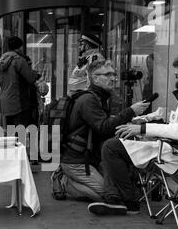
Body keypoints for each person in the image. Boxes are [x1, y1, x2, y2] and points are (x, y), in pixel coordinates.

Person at [88, 52, 178, 215]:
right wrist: (146, 122)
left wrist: (144, 129)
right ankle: (116, 197)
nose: (175, 73)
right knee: (116, 143)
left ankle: (128, 201)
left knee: (112, 147)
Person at [51, 60, 150, 201]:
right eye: (107, 74)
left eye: (113, 74)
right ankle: (65, 182)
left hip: (91, 159)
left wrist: (130, 122)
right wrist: (130, 111)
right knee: (109, 195)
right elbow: (103, 128)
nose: (112, 78)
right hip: (77, 162)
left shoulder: (100, 97)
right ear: (95, 78)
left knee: (117, 191)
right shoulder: (88, 100)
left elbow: (103, 124)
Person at [0, 36, 40, 127]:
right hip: (18, 103)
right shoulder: (19, 60)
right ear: (19, 47)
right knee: (20, 133)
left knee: (10, 133)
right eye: (21, 47)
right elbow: (30, 78)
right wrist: (36, 74)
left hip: (5, 103)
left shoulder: (2, 61)